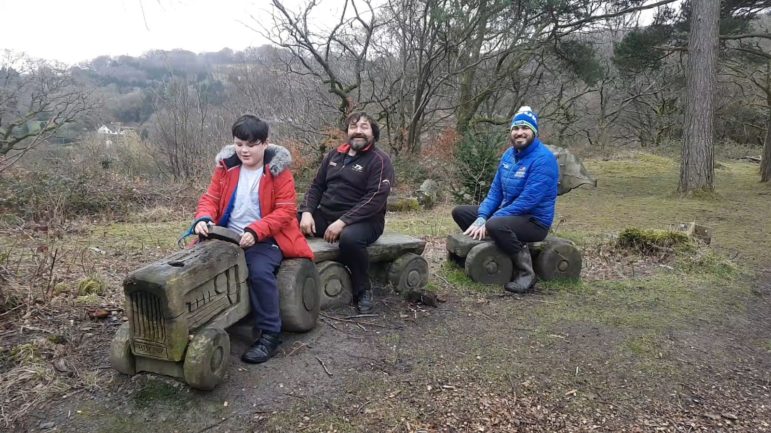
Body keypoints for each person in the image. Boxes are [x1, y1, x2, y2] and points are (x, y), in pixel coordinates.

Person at [191, 114, 313, 364]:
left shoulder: (279, 171)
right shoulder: (226, 167)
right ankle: (197, 318)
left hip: (266, 237)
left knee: (258, 272)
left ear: (264, 144)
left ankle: (270, 333)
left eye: (251, 144)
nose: (244, 150)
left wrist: (257, 230)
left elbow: (285, 210)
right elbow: (211, 198)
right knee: (195, 264)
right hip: (227, 233)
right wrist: (203, 218)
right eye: (239, 144)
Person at [452, 106, 559, 294]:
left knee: (495, 224)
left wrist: (493, 219)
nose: (519, 133)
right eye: (515, 128)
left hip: (534, 221)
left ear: (534, 131)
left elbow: (528, 201)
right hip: (509, 215)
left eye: (525, 128)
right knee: (460, 212)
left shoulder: (544, 159)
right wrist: (482, 216)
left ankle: (526, 272)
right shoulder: (508, 155)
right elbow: (495, 193)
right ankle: (495, 249)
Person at [298, 112, 394, 313]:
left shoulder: (380, 160)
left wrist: (343, 222)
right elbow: (316, 186)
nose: (358, 131)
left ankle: (362, 289)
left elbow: (375, 198)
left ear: (373, 133)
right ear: (347, 131)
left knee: (350, 239)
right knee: (289, 222)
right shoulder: (334, 156)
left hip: (366, 221)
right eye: (353, 126)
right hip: (327, 215)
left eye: (364, 127)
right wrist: (307, 212)